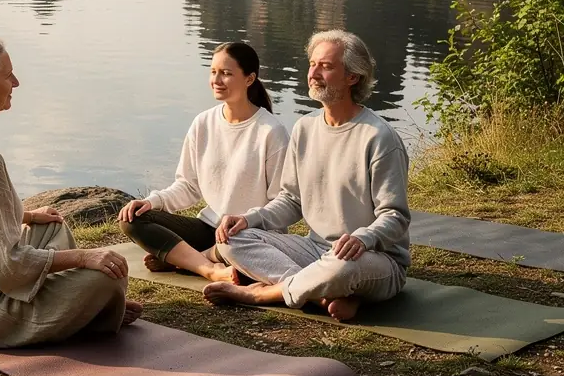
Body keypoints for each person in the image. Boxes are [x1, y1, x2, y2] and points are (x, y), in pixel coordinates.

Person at [0, 37, 142, 347]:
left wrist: (27, 215)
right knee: (108, 276)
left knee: (51, 226)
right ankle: (89, 309)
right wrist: (85, 256)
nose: (15, 83)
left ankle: (84, 307)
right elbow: (9, 266)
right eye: (8, 75)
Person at [204, 30, 409, 322]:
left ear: (353, 77)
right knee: (231, 240)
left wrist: (364, 239)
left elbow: (396, 216)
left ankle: (264, 293)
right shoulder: (305, 128)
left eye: (326, 66)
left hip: (373, 259)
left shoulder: (380, 137)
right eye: (312, 64)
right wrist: (249, 219)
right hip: (315, 250)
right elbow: (291, 200)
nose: (313, 73)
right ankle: (322, 294)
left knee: (342, 268)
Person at [118, 42, 289, 280]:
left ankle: (187, 259)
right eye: (213, 72)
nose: (217, 80)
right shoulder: (203, 123)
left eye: (226, 74)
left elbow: (281, 200)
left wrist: (245, 222)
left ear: (250, 79)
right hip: (209, 229)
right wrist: (152, 201)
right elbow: (188, 185)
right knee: (133, 220)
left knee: (240, 250)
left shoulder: (271, 131)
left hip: (251, 235)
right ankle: (207, 265)